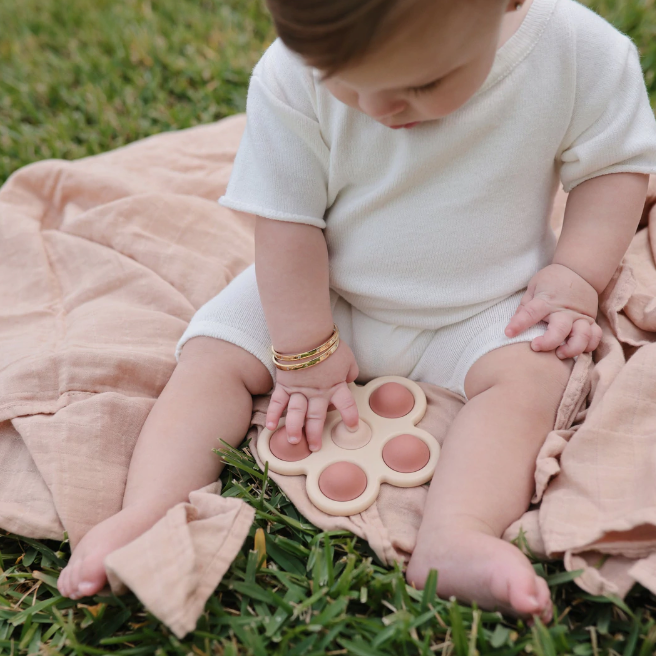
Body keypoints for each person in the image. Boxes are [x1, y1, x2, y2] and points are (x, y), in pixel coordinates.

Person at [58, 0, 656, 620]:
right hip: (322, 293)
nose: (377, 109)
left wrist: (576, 275)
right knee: (213, 358)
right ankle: (148, 511)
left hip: (491, 302)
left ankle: (457, 534)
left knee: (533, 378)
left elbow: (612, 167)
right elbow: (286, 226)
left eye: (422, 83)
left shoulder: (580, 52)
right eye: (345, 81)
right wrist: (303, 347)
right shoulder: (291, 74)